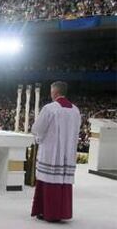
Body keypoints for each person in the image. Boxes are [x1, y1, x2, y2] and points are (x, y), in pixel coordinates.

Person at [31, 81, 81, 222]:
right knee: (63, 182)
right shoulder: (75, 110)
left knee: (49, 181)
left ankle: (49, 212)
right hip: (68, 153)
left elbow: (37, 129)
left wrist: (38, 137)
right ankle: (62, 213)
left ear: (55, 92)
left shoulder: (50, 108)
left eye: (51, 91)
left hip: (52, 152)